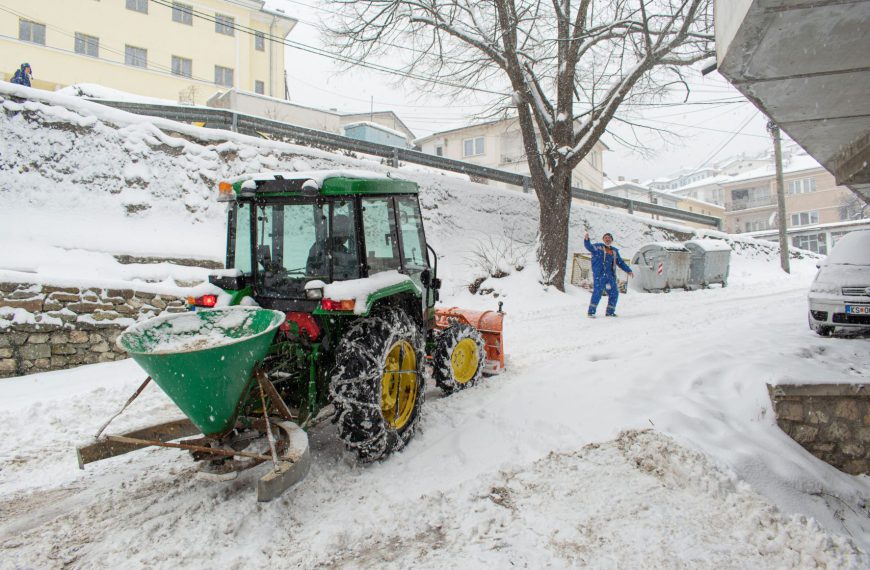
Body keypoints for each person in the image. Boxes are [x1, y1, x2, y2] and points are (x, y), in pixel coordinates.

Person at [584, 231, 633, 317]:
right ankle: (591, 312)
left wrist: (628, 270)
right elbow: (589, 247)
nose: (607, 239)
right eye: (606, 238)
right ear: (603, 239)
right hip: (599, 275)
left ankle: (610, 312)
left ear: (611, 240)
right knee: (597, 293)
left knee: (614, 292)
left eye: (609, 238)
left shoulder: (614, 251)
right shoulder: (598, 247)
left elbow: (620, 262)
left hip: (610, 276)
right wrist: (587, 240)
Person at [306, 214, 358, 279]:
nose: (348, 236)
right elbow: (317, 273)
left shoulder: (343, 249)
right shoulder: (320, 249)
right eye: (347, 231)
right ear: (341, 231)